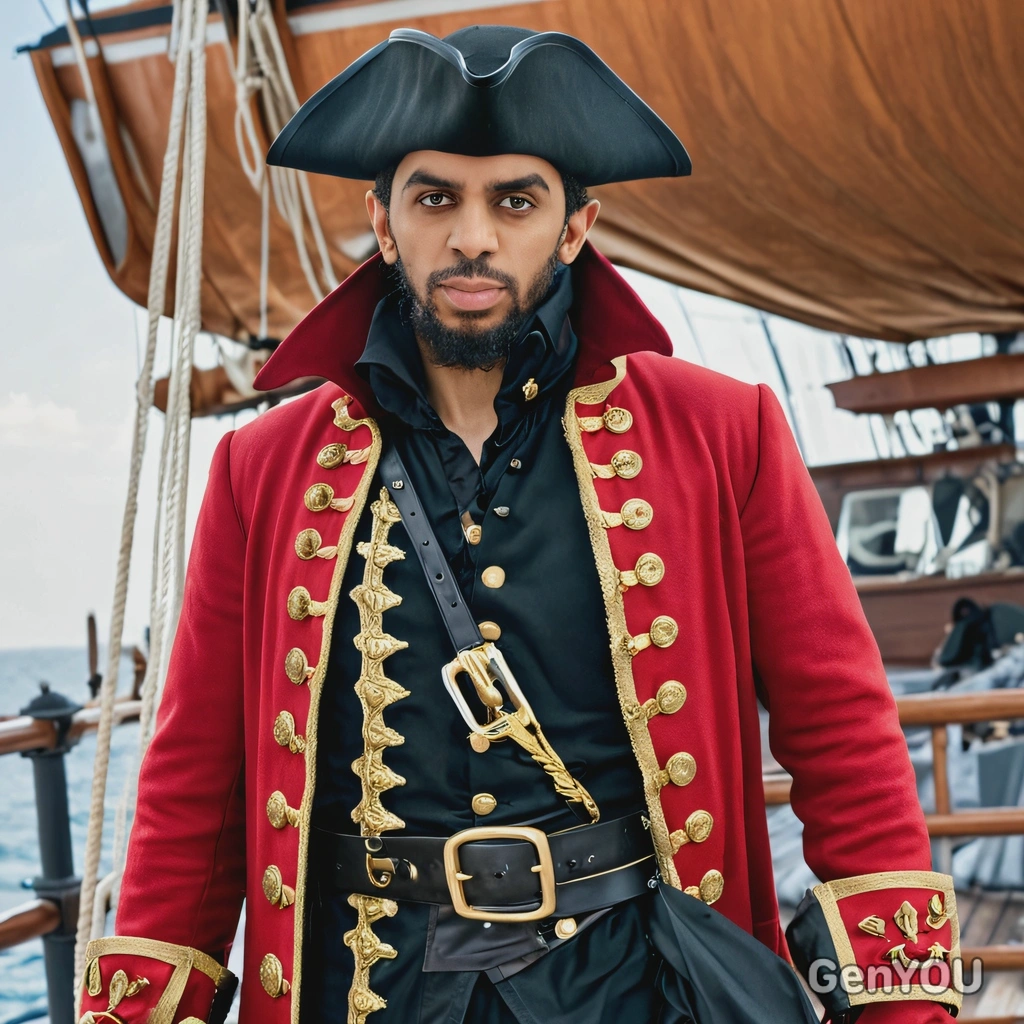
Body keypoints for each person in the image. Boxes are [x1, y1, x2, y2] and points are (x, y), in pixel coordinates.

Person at [79, 25, 961, 1024]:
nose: (472, 237)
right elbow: (193, 798)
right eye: (434, 197)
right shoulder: (263, 469)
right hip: (368, 987)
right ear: (381, 220)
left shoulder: (723, 433)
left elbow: (841, 737)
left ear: (575, 227)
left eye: (514, 200)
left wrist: (902, 1010)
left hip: (635, 986)